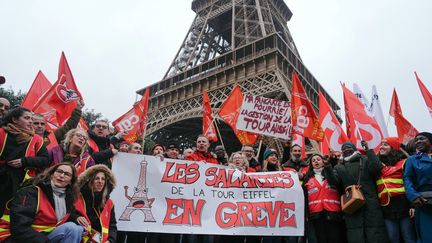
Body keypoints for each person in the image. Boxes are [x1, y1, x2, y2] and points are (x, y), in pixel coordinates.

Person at [0, 163, 83, 242]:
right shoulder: (31, 192)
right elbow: (19, 227)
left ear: (70, 181)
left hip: (44, 235)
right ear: (51, 174)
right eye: (59, 171)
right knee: (71, 228)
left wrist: (76, 218)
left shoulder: (67, 197)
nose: (62, 176)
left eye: (67, 174)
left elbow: (60, 216)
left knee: (79, 229)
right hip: (21, 236)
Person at [333, 141, 389, 243]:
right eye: (344, 149)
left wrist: (368, 150)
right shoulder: (338, 167)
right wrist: (328, 167)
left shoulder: (365, 159)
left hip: (370, 203)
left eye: (349, 148)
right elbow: (334, 182)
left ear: (355, 149)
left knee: (375, 233)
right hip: (351, 204)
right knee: (356, 235)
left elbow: (377, 168)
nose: (346, 150)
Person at [0, 106, 49, 217]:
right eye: (27, 118)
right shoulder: (2, 133)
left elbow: (45, 159)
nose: (31, 121)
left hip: (22, 185)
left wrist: (24, 161)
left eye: (32, 119)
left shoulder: (36, 138)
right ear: (15, 120)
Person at [376, 137, 416, 243]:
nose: (381, 147)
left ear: (393, 148)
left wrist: (412, 205)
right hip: (386, 208)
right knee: (392, 239)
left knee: (409, 238)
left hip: (404, 206)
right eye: (381, 144)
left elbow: (411, 183)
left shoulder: (404, 162)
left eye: (385, 144)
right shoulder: (376, 165)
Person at [303, 154, 346, 243]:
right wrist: (306, 214)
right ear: (311, 164)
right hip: (316, 215)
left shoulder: (332, 172)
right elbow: (305, 198)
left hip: (333, 213)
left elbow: (335, 182)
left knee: (335, 239)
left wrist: (328, 167)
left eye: (318, 159)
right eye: (313, 160)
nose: (316, 161)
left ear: (323, 161)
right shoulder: (307, 178)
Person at [74, 164, 117, 243]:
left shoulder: (109, 203)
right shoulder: (78, 197)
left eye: (103, 179)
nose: (100, 182)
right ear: (90, 180)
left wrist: (110, 240)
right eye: (97, 178)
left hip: (102, 241)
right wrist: (76, 217)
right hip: (80, 238)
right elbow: (68, 215)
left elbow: (112, 226)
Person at [403, 132, 432, 243]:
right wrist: (413, 196)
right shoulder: (412, 160)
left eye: (422, 139)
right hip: (424, 203)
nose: (418, 141)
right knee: (427, 237)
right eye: (416, 140)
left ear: (430, 141)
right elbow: (407, 179)